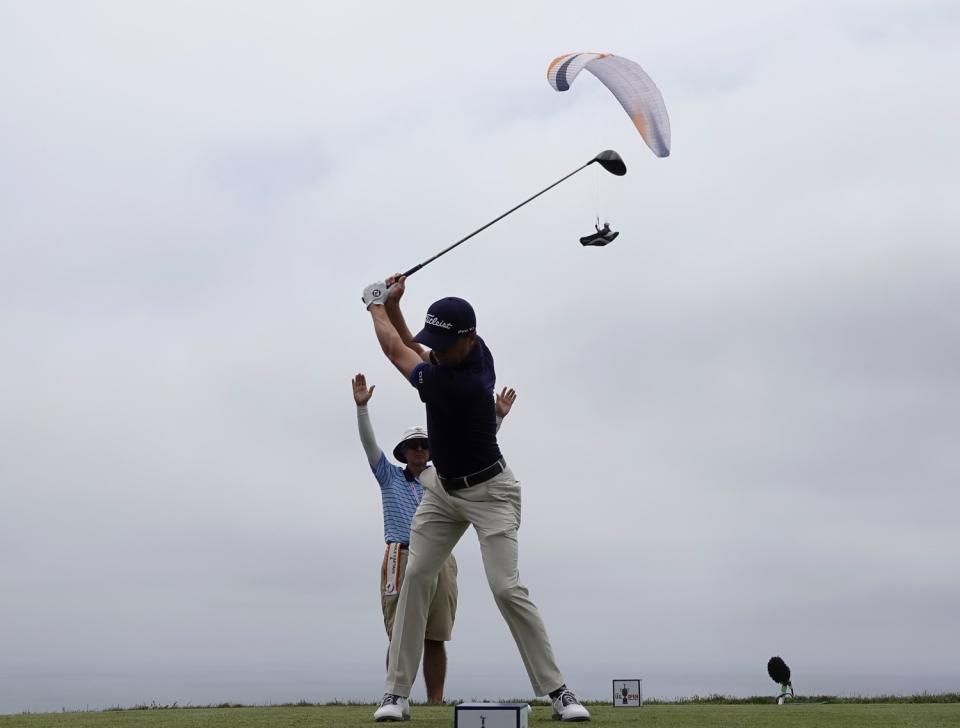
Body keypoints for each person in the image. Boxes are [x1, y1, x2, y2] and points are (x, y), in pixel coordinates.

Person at [361, 274, 591, 723]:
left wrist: (374, 305)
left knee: (507, 588)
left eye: (444, 346)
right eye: (437, 345)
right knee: (417, 577)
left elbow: (395, 350)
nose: (438, 352)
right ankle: (396, 694)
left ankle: (558, 691)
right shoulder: (471, 350)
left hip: (492, 494)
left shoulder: (459, 384)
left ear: (467, 339)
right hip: (445, 492)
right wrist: (395, 307)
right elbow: (414, 344)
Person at [352, 372, 518, 704]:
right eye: (413, 445)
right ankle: (394, 696)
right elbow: (370, 446)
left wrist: (496, 417)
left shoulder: (443, 477)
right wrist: (362, 409)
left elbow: (474, 452)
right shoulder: (388, 477)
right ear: (404, 451)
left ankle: (435, 702)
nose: (419, 449)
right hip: (401, 555)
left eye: (424, 444)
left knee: (436, 636)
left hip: (440, 558)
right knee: (399, 635)